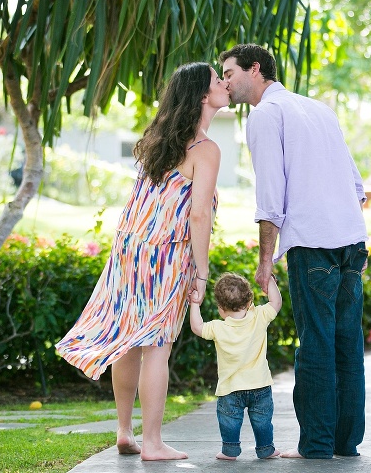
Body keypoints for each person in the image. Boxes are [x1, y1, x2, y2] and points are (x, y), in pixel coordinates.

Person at [55, 62, 228, 461]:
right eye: (218, 81)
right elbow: (199, 214)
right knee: (157, 346)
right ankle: (152, 443)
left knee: (128, 341)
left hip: (129, 251)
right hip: (166, 254)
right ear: (203, 95)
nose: (224, 84)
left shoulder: (158, 140)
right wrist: (201, 274)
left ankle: (125, 431)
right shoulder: (205, 149)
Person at [219, 44, 369, 460]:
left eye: (229, 72)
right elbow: (358, 190)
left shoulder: (265, 115)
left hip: (313, 244)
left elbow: (271, 198)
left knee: (316, 344)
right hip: (352, 243)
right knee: (346, 343)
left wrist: (265, 262)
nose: (225, 81)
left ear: (255, 69)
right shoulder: (318, 109)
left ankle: (317, 446)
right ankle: (346, 442)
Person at [189, 272, 282, 460]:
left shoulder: (218, 327)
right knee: (263, 421)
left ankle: (229, 450)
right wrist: (270, 281)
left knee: (229, 421)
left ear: (221, 308)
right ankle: (266, 449)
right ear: (249, 302)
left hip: (230, 389)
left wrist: (194, 304)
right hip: (260, 385)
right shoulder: (260, 316)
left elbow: (197, 327)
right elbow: (276, 303)